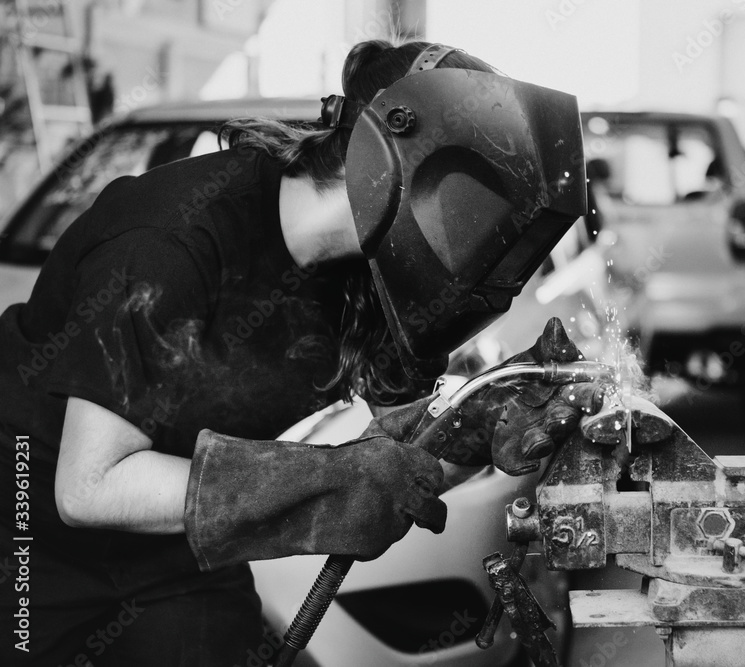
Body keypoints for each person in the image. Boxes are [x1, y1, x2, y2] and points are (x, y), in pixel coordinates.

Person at [0, 40, 598, 665]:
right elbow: (90, 487)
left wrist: (485, 419)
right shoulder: (168, 243)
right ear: (407, 163)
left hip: (178, 553)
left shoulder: (372, 278)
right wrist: (327, 480)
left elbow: (404, 466)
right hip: (33, 551)